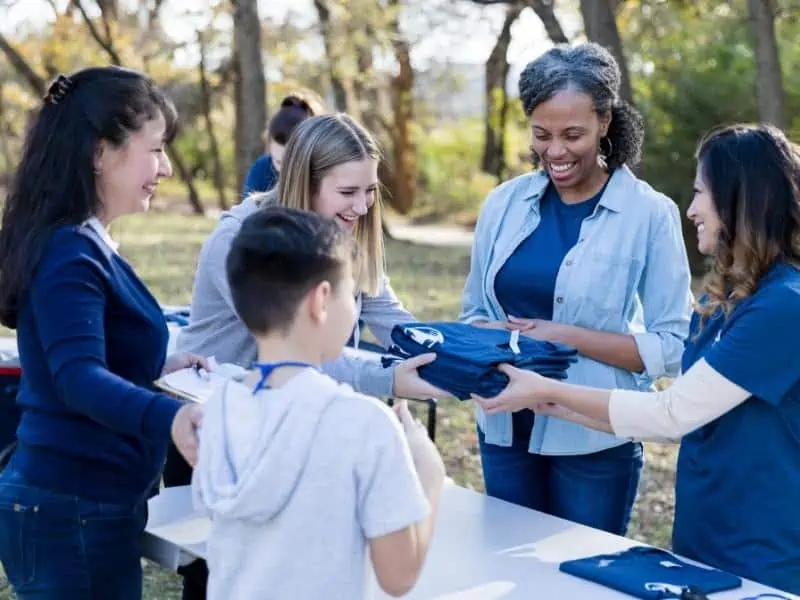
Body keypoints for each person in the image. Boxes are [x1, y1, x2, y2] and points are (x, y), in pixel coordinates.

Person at [473, 123, 800, 594]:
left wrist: (546, 389)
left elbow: (670, 415)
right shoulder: (730, 298)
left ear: (738, 200)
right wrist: (544, 403)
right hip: (706, 530)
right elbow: (670, 417)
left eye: (699, 193)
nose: (691, 210)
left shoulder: (783, 305)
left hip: (764, 546)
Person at [169, 113, 444, 599]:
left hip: (293, 419)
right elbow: (302, 349)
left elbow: (388, 313)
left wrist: (454, 357)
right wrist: (394, 382)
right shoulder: (249, 244)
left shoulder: (339, 234)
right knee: (216, 567)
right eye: (347, 192)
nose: (362, 206)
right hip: (230, 426)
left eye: (370, 191)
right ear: (306, 182)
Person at [460, 42, 693, 535]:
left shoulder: (650, 215)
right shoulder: (502, 204)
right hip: (502, 426)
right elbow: (474, 311)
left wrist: (565, 337)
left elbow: (673, 346)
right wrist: (487, 349)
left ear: (605, 121)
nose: (556, 152)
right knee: (509, 575)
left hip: (593, 439)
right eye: (542, 135)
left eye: (573, 134)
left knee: (584, 581)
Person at [0, 67, 207, 599]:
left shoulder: (86, 243)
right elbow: (77, 378)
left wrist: (156, 369)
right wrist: (173, 415)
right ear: (100, 152)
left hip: (86, 506)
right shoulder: (70, 252)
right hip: (68, 508)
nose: (163, 168)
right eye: (154, 149)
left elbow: (77, 357)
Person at [241, 94, 317, 196]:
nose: (286, 171)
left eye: (294, 163)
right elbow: (247, 209)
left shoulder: (322, 171)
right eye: (279, 162)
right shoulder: (261, 170)